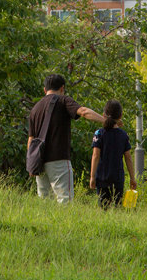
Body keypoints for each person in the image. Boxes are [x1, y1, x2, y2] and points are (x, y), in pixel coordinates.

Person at [28, 74, 104, 203]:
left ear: (45, 90)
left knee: (44, 201)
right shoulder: (63, 100)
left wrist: (31, 163)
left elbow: (31, 139)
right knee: (65, 200)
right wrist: (106, 121)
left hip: (39, 161)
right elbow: (84, 112)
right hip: (59, 160)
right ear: (62, 88)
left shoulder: (35, 109)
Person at [89, 99, 137, 209]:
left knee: (104, 208)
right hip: (118, 178)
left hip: (102, 177)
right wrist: (132, 178)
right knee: (117, 207)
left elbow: (95, 156)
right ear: (120, 116)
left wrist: (92, 176)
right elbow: (128, 158)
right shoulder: (123, 135)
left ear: (103, 115)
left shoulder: (99, 133)